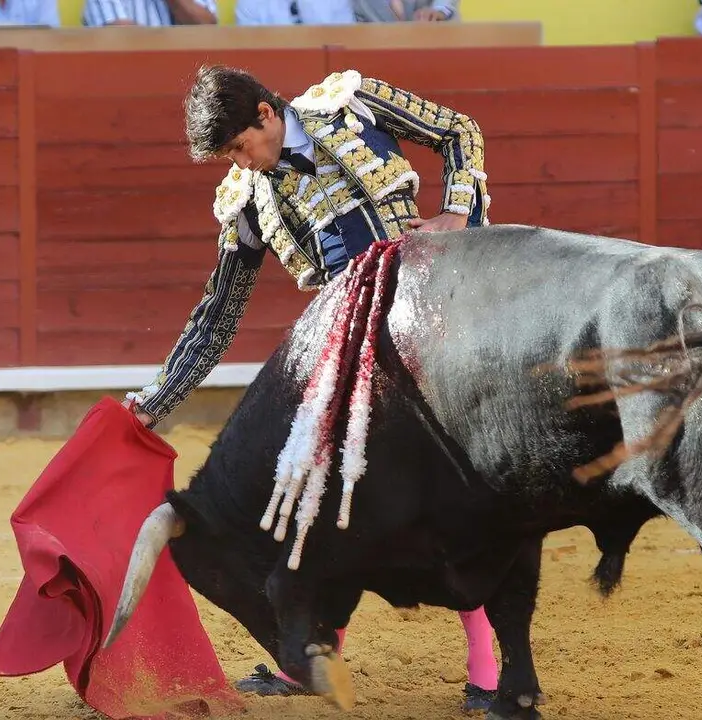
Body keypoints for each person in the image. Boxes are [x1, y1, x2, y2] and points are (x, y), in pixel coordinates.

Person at [124, 65, 497, 712]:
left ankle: (489, 673)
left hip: (436, 326)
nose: (240, 164)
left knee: (450, 502)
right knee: (325, 507)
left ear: (268, 114)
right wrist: (156, 399)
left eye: (241, 146)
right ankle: (308, 660)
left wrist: (457, 211)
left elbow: (457, 130)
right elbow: (219, 312)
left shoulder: (350, 104)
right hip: (352, 359)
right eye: (227, 157)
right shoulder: (246, 196)